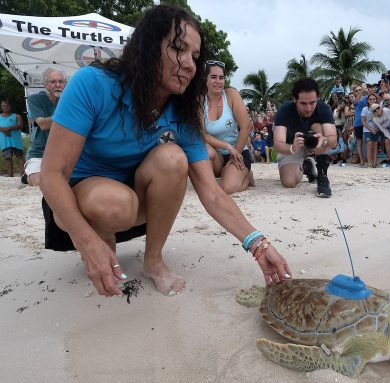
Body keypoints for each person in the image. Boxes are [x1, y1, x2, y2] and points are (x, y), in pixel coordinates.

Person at [39, 5, 291, 298]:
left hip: (136, 201)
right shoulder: (92, 84)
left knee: (173, 158)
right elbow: (50, 175)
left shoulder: (181, 113)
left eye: (195, 57)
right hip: (76, 203)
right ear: (147, 46)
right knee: (112, 202)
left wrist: (258, 244)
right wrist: (86, 242)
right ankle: (100, 244)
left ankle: (153, 259)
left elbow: (212, 193)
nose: (189, 64)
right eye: (178, 49)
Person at [273, 77, 338, 198]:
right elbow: (278, 143)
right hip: (292, 146)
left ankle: (322, 175)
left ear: (317, 98)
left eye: (312, 102)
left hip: (316, 145)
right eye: (303, 103)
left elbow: (333, 140)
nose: (308, 108)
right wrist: (293, 148)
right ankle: (307, 165)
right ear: (294, 100)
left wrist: (323, 140)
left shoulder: (323, 108)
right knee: (289, 182)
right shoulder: (284, 110)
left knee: (317, 127)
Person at [203, 61, 253, 194]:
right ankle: (226, 173)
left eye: (221, 77)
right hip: (217, 156)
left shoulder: (231, 95)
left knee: (229, 188)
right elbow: (203, 135)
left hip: (239, 150)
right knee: (204, 149)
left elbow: (246, 126)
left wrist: (235, 151)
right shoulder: (199, 102)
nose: (218, 81)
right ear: (205, 79)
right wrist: (227, 147)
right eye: (213, 77)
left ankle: (247, 176)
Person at [25, 68, 67, 186]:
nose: (57, 85)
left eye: (60, 81)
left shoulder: (69, 100)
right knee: (38, 182)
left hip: (62, 154)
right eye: (53, 82)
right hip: (38, 152)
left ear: (65, 84)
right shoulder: (35, 99)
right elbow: (43, 124)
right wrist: (70, 115)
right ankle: (27, 176)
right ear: (45, 85)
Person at [0, 100, 25, 177]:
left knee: (20, 157)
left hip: (16, 142)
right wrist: (4, 130)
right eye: (3, 106)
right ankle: (10, 176)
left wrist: (9, 128)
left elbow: (20, 125)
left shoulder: (17, 116)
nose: (5, 107)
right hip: (5, 142)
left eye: (7, 106)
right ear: (1, 107)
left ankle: (23, 175)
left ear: (10, 106)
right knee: (7, 158)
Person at [360, 93, 380, 167]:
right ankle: (369, 162)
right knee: (369, 144)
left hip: (376, 129)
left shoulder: (379, 108)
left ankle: (374, 162)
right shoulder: (365, 109)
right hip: (367, 130)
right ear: (367, 100)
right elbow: (363, 121)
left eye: (374, 99)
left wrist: (376, 128)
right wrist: (370, 128)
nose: (372, 100)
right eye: (370, 99)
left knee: (375, 145)